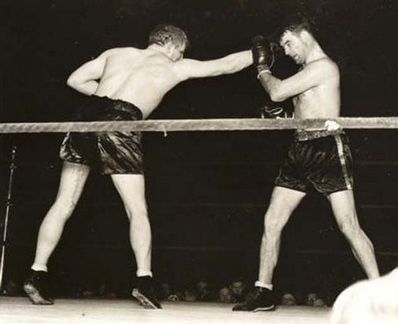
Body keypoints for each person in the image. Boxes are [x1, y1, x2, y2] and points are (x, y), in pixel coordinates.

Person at [23, 24, 253, 308]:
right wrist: (262, 52)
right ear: (171, 45)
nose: (180, 58)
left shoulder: (115, 53)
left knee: (64, 203)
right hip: (121, 123)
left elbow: (75, 80)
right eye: (180, 53)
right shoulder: (173, 67)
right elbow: (226, 65)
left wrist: (106, 103)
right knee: (137, 209)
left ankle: (36, 273)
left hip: (85, 118)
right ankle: (144, 281)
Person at [233, 14, 379, 312]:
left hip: (326, 146)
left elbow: (276, 91)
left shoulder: (323, 67)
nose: (286, 51)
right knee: (272, 220)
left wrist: (262, 68)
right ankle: (263, 291)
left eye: (287, 42)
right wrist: (286, 118)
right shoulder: (306, 71)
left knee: (348, 224)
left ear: (302, 34)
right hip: (299, 148)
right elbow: (300, 110)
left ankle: (380, 292)